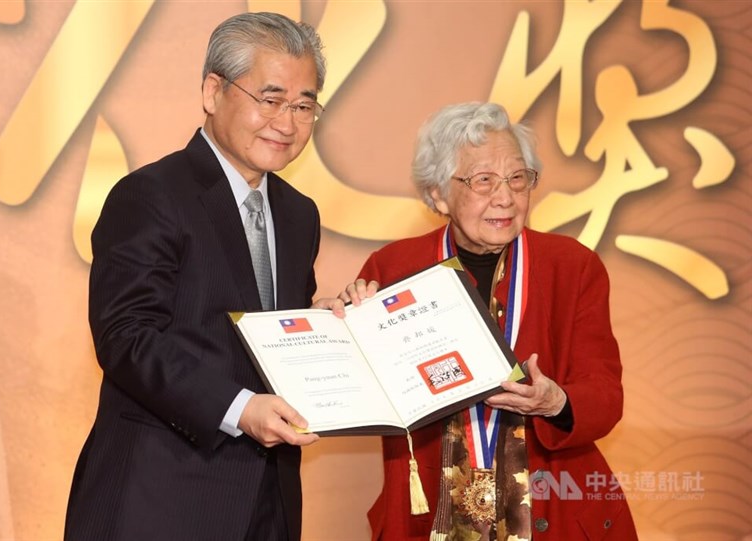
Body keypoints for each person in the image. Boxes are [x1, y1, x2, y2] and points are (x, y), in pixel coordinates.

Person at [64, 12, 329, 541]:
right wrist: (239, 409)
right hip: (159, 498)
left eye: (304, 106)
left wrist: (334, 330)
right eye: (271, 99)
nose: (287, 122)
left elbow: (271, 339)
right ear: (213, 90)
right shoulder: (151, 195)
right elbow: (126, 337)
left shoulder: (299, 213)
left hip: (268, 504)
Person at [341, 102, 638, 540]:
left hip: (553, 507)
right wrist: (349, 331)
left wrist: (556, 402)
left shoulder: (571, 266)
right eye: (483, 181)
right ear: (439, 193)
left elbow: (605, 396)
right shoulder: (392, 268)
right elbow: (368, 396)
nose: (506, 197)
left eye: (518, 178)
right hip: (432, 510)